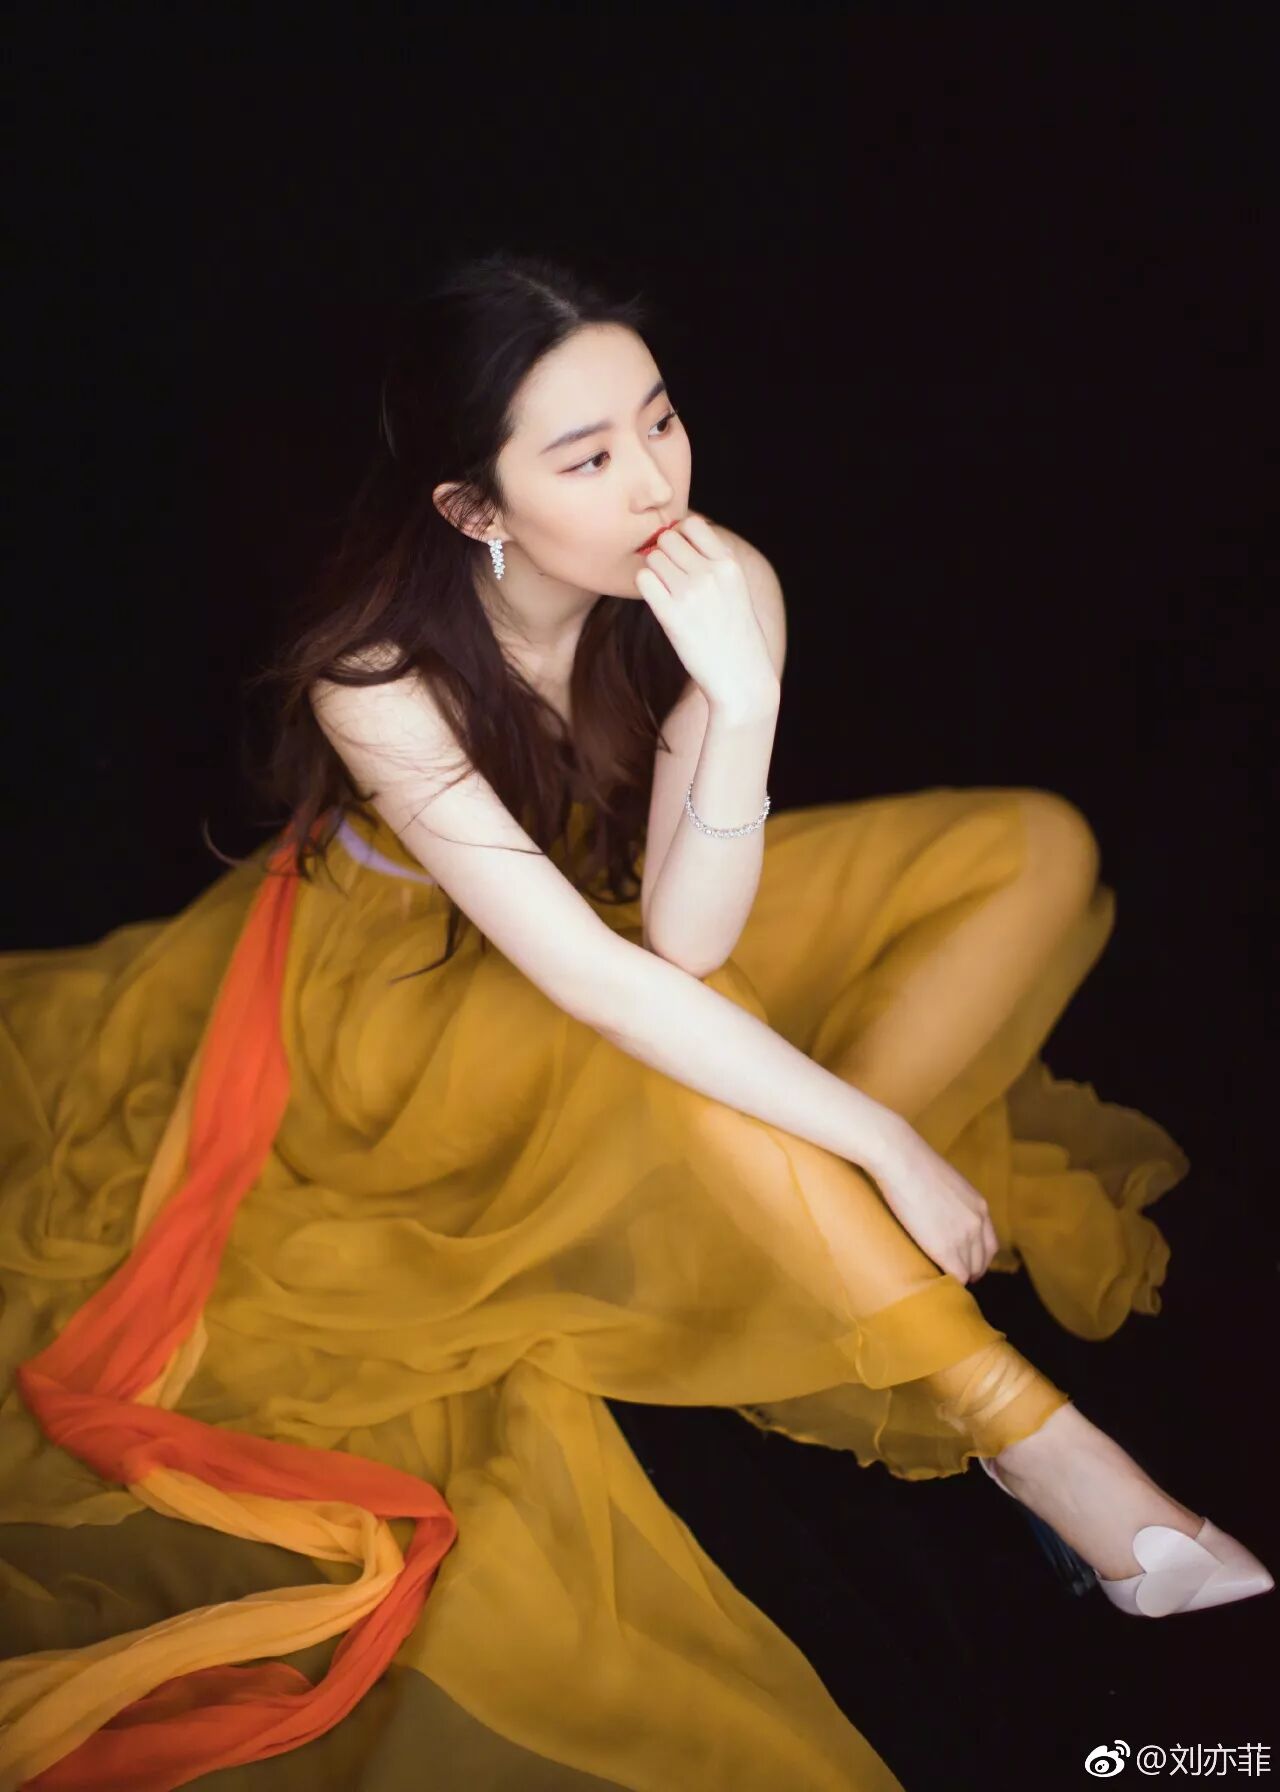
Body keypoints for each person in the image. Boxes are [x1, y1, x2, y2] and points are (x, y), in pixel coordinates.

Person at [0, 250, 1269, 1792]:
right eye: (588, 457)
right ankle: (1044, 1450)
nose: (655, 479)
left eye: (659, 420)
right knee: (677, 1039)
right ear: (476, 507)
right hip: (402, 1016)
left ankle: (798, 1217)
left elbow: (685, 928)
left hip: (630, 930)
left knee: (1033, 851)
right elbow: (609, 978)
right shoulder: (375, 676)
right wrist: (881, 1134)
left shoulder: (715, 586)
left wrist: (740, 698)